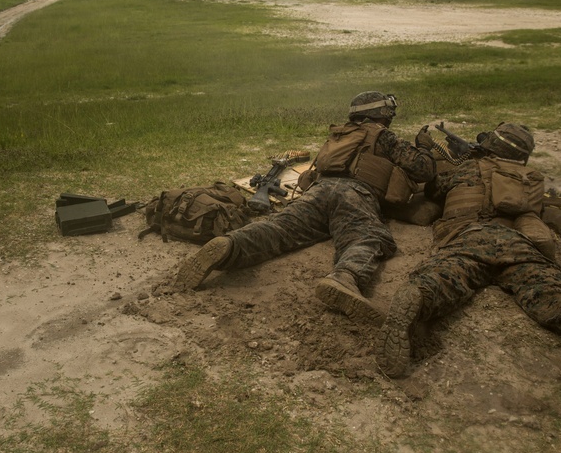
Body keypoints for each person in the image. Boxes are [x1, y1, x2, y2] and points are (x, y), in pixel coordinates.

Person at [376, 122, 561, 419]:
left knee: (444, 277)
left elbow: (435, 191)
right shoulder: (529, 179)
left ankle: (415, 298)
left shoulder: (465, 171)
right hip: (516, 242)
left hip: (468, 237)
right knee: (551, 297)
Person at [174, 91, 437, 324]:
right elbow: (424, 170)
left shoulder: (339, 134)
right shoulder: (384, 136)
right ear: (381, 114)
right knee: (367, 237)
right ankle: (344, 278)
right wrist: (425, 147)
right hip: (355, 194)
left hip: (319, 191)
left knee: (279, 229)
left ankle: (231, 246)